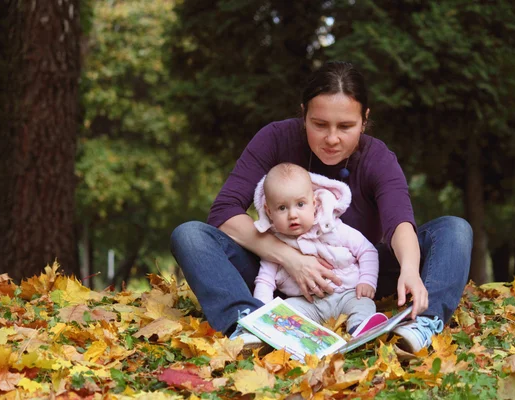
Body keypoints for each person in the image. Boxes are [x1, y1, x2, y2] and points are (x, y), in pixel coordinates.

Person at [170, 61, 473, 354]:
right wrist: (291, 259)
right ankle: (249, 325)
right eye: (319, 124)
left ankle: (421, 324)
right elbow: (224, 212)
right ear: (303, 114)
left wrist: (408, 267)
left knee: (454, 229)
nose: (332, 139)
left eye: (346, 126)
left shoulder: (377, 157)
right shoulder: (275, 139)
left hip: (355, 277)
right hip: (276, 277)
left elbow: (399, 222)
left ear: (364, 119)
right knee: (190, 235)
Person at [251, 162, 388, 338]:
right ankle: (284, 335)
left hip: (347, 293)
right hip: (307, 303)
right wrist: (261, 313)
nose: (293, 214)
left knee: (364, 304)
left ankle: (359, 328)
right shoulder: (275, 245)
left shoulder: (333, 228)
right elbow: (265, 281)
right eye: (282, 208)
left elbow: (367, 250)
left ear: (314, 203)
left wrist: (367, 281)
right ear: (269, 212)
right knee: (286, 311)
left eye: (300, 204)